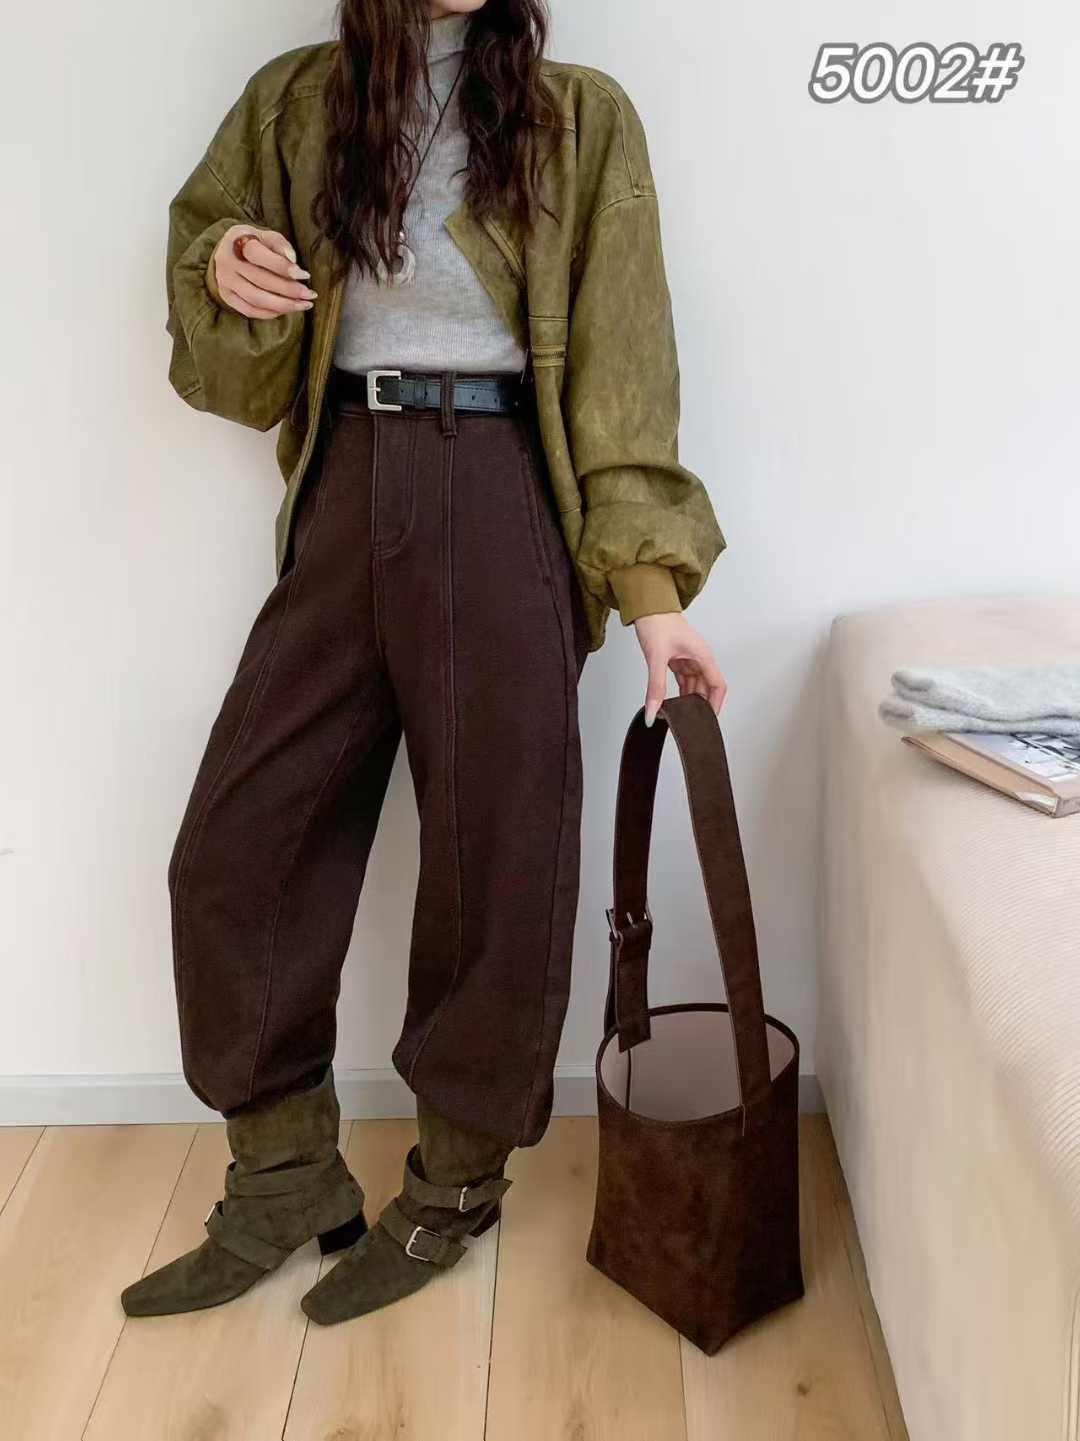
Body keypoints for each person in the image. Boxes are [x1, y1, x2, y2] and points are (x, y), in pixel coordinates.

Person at [121, 0, 727, 1326]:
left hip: (502, 487)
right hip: (346, 483)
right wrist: (225, 267)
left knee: (492, 856)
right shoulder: (295, 102)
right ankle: (283, 1178)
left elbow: (625, 364)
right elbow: (227, 365)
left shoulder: (579, 118)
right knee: (239, 843)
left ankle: (454, 1184)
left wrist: (653, 599)